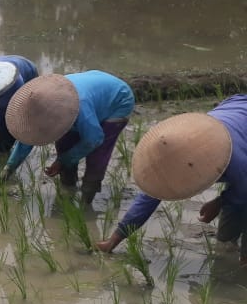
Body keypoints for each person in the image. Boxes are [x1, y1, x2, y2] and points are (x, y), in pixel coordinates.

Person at [96, 97, 247, 265]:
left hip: (238, 132)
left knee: (240, 200)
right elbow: (149, 198)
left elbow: (243, 191)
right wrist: (115, 239)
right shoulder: (174, 156)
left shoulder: (235, 160)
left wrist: (220, 202)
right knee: (226, 238)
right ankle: (227, 252)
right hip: (234, 109)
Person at [0, 71, 134, 204]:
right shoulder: (40, 105)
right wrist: (3, 176)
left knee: (97, 155)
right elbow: (27, 140)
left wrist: (63, 160)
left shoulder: (80, 106)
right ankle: (68, 187)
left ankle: (87, 199)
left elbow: (95, 139)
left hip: (117, 101)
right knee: (64, 145)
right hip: (90, 90)